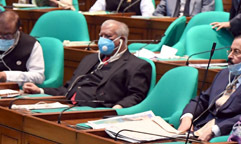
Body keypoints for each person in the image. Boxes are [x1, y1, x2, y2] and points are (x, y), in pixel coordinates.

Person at [23, 20, 151, 108]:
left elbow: (136, 95)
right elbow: (67, 88)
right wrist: (39, 90)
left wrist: (119, 107)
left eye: (108, 36)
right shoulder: (89, 59)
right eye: (101, 35)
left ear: (122, 40)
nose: (103, 40)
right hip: (68, 106)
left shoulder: (137, 65)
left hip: (95, 110)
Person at [177, 35, 241, 141]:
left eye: (236, 52)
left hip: (223, 134)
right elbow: (203, 99)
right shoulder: (225, 73)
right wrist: (187, 117)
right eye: (230, 51)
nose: (230, 56)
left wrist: (215, 129)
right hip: (198, 127)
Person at [0, 11, 44, 85]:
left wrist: (6, 76)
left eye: (7, 35)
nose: (2, 38)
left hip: (18, 90)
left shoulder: (31, 44)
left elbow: (38, 76)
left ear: (19, 30)